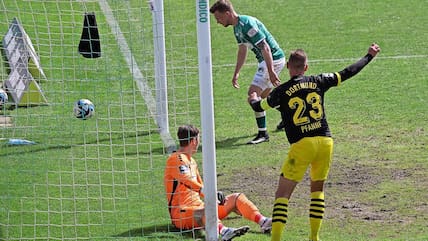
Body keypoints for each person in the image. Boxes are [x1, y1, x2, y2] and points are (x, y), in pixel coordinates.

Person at [249, 43, 381, 241]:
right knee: (317, 190)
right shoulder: (319, 81)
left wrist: (253, 98)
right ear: (306, 67)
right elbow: (347, 72)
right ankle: (314, 237)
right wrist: (369, 56)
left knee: (282, 195)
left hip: (302, 146)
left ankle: (276, 239)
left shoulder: (282, 91)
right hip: (325, 142)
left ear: (287, 66)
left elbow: (259, 105)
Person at [164, 124, 273, 241]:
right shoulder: (176, 159)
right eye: (198, 139)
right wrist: (207, 192)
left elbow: (201, 187)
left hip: (200, 207)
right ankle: (224, 231)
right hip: (181, 214)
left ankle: (263, 221)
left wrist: (214, 197)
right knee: (206, 212)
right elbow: (187, 181)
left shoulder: (192, 161)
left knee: (236, 198)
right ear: (194, 141)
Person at [210, 0, 286, 144]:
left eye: (218, 18)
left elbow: (265, 48)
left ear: (227, 13)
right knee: (265, 96)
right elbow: (242, 50)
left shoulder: (247, 25)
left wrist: (270, 71)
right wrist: (236, 73)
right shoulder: (237, 27)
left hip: (272, 59)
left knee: (253, 95)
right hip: (268, 60)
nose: (218, 22)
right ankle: (288, 115)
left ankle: (263, 134)